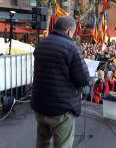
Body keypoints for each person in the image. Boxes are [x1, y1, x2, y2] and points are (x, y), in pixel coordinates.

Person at [31, 16, 90, 148]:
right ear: (69, 31)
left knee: (42, 142)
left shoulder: (41, 44)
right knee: (63, 144)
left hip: (40, 104)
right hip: (61, 108)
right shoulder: (72, 48)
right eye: (73, 32)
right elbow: (83, 79)